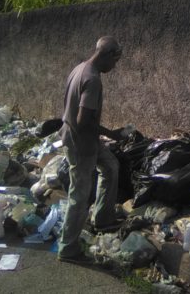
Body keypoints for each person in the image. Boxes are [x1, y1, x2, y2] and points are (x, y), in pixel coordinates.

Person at [57, 36, 126, 264]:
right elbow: (83, 119)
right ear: (106, 55)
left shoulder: (80, 68)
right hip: (81, 142)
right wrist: (114, 134)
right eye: (114, 61)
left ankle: (103, 218)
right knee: (79, 193)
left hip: (84, 138)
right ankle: (68, 248)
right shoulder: (92, 78)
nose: (114, 67)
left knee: (111, 166)